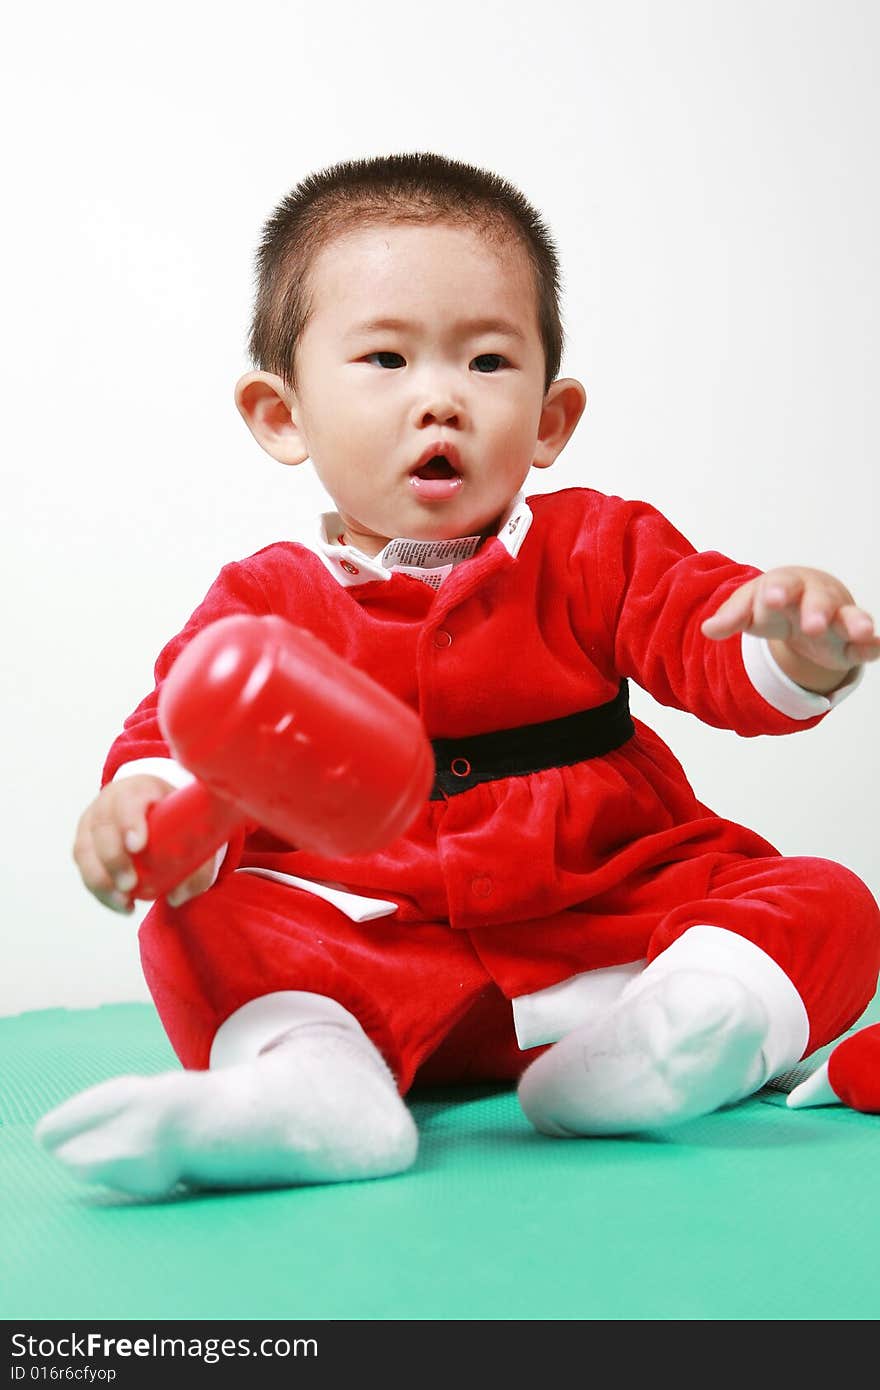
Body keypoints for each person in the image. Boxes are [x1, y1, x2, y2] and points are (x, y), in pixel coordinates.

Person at [36, 152, 880, 1198]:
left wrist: (795, 643)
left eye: (485, 362)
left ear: (549, 419)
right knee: (197, 923)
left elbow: (697, 631)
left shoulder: (593, 547)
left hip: (607, 927)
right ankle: (315, 1091)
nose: (440, 399)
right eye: (385, 359)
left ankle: (675, 1038)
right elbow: (179, 726)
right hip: (373, 952)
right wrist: (139, 804)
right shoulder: (268, 598)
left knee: (826, 898)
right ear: (281, 414)